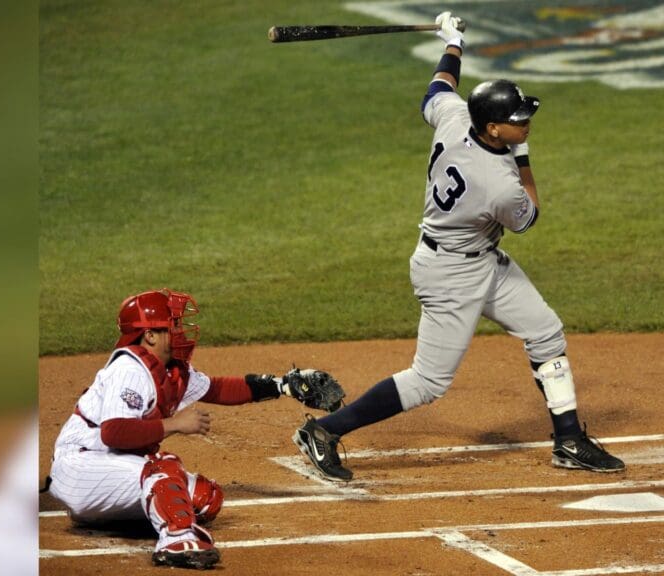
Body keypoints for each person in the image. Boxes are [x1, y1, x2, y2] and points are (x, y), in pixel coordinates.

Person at [292, 12, 624, 482]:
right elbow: (529, 214)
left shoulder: (454, 116)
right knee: (428, 381)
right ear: (492, 130)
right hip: (449, 273)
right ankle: (323, 431)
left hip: (481, 260)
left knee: (545, 331)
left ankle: (568, 439)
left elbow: (438, 89)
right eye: (517, 120)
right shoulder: (498, 183)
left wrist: (453, 43)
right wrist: (523, 156)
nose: (526, 122)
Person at [46, 288, 339, 570]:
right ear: (149, 335)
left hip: (108, 468)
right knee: (163, 469)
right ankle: (177, 542)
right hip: (81, 466)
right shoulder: (129, 371)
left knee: (204, 499)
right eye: (171, 325)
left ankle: (99, 516)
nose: (180, 331)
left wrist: (281, 385)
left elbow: (219, 388)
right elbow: (114, 433)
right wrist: (174, 425)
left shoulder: (169, 370)